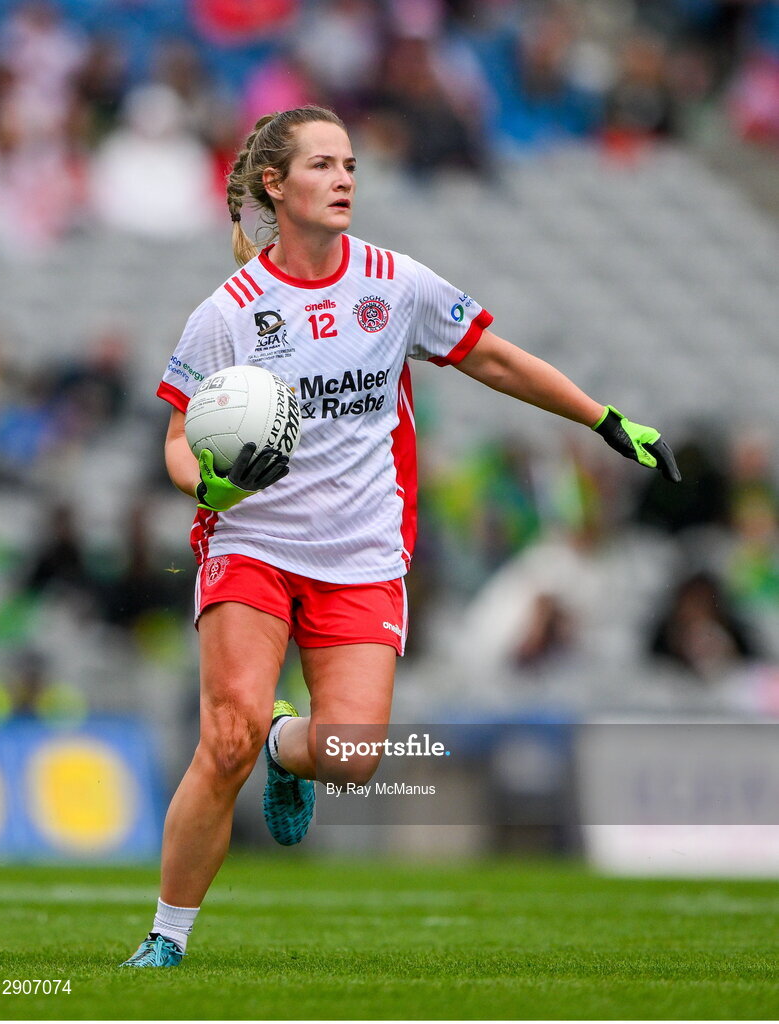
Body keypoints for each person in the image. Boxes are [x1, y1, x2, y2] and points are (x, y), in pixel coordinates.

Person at [120, 104, 680, 967]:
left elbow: (494, 357)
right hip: (252, 543)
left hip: (361, 555)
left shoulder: (395, 283)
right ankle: (165, 938)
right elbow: (173, 444)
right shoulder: (228, 312)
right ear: (275, 184)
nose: (344, 178)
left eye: (349, 164)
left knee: (348, 757)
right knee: (221, 737)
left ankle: (285, 744)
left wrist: (603, 419)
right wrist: (213, 480)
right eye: (322, 166)